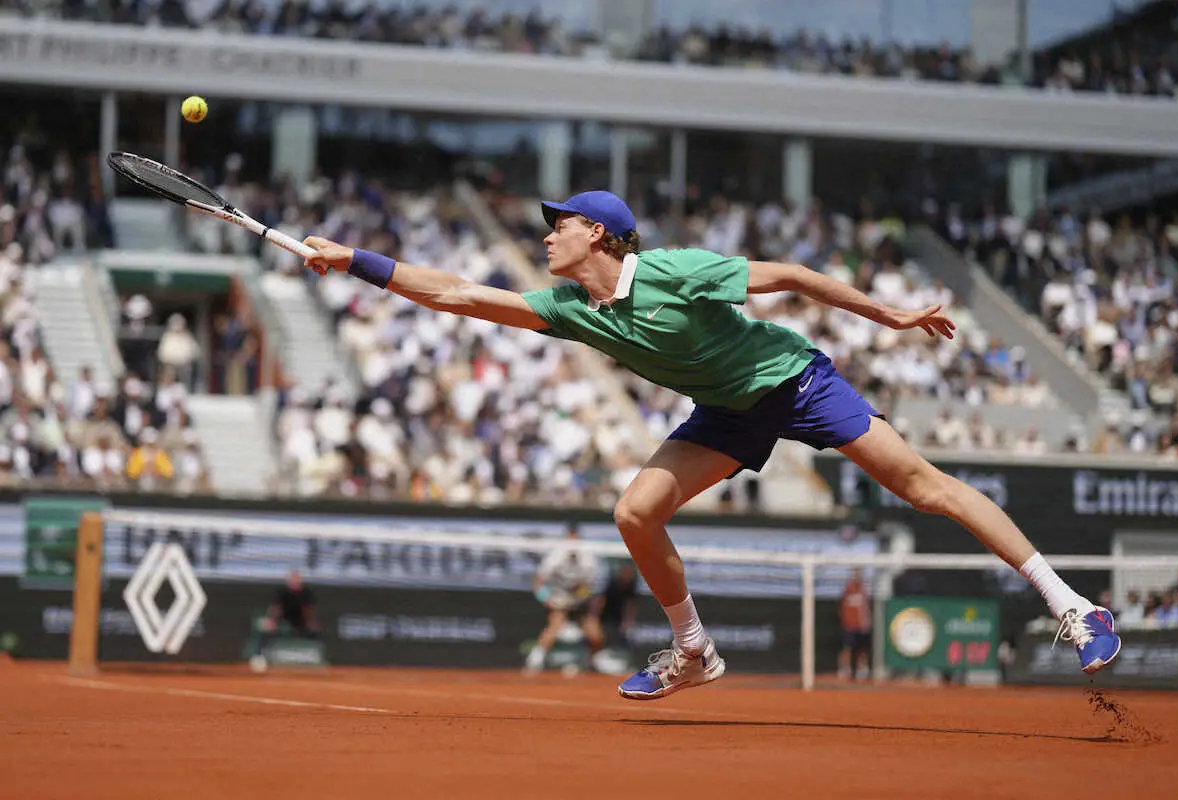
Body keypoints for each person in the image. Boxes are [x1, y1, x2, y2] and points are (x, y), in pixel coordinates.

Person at [302, 189, 1120, 700]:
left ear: (601, 234)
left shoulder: (674, 270)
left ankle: (1073, 606)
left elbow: (793, 278)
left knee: (924, 487)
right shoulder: (567, 307)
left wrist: (892, 316)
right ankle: (695, 653)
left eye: (562, 226)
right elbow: (454, 293)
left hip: (796, 383)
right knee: (634, 513)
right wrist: (357, 264)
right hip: (725, 414)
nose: (548, 234)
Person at [524, 526, 603, 674]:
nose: (572, 540)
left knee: (594, 633)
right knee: (555, 625)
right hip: (558, 595)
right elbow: (539, 581)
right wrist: (546, 598)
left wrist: (579, 596)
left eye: (574, 537)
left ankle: (593, 662)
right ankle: (535, 661)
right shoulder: (555, 554)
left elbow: (591, 583)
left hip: (580, 598)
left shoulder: (587, 553)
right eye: (570, 536)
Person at [250, 569, 320, 671]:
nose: (295, 581)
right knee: (265, 631)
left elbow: (308, 610)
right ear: (289, 580)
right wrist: (272, 621)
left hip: (300, 622)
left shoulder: (306, 593)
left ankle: (324, 659)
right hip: (283, 621)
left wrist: (310, 622)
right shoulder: (282, 592)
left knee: (316, 631)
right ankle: (259, 656)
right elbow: (276, 608)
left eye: (297, 579)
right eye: (293, 579)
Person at [837, 569, 872, 681]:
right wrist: (845, 621)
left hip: (861, 626)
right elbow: (842, 607)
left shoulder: (863, 590)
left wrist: (867, 621)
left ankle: (862, 669)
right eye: (856, 574)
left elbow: (866, 608)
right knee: (847, 648)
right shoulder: (848, 589)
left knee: (862, 649)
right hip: (849, 625)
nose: (857, 576)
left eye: (859, 574)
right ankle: (844, 669)